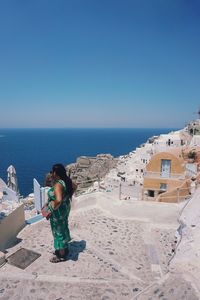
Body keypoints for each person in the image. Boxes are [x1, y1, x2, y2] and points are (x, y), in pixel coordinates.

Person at [47, 163, 74, 263]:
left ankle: (61, 255)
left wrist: (52, 207)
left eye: (52, 171)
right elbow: (75, 187)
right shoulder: (66, 181)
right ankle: (65, 248)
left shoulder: (58, 184)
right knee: (63, 227)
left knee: (58, 231)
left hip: (58, 212)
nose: (51, 173)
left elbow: (58, 200)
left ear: (55, 173)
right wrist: (66, 197)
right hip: (65, 209)